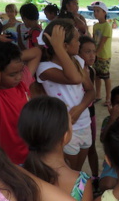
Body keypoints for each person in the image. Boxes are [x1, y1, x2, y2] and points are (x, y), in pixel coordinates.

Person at [37, 20, 95, 171]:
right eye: (76, 39)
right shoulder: (45, 68)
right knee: (67, 171)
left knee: (76, 170)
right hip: (65, 129)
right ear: (64, 46)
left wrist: (80, 108)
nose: (79, 42)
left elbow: (91, 91)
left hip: (84, 123)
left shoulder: (77, 61)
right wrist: (58, 48)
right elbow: (74, 78)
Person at [0, 41, 39, 164]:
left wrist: (12, 56)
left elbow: (36, 52)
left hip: (29, 153)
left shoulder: (22, 83)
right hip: (6, 159)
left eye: (21, 70)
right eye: (12, 74)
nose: (19, 76)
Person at [78, 36, 100, 179]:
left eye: (94, 51)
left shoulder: (91, 71)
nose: (92, 55)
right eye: (87, 52)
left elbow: (91, 94)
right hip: (77, 114)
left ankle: (95, 177)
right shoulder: (74, 72)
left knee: (91, 147)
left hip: (89, 113)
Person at [92, 1, 113, 106]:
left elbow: (102, 42)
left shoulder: (107, 26)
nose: (95, 13)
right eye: (94, 11)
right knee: (97, 76)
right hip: (96, 55)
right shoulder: (95, 26)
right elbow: (93, 40)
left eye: (98, 11)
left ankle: (108, 97)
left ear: (104, 12)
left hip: (104, 55)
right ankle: (98, 94)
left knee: (105, 76)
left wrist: (95, 53)